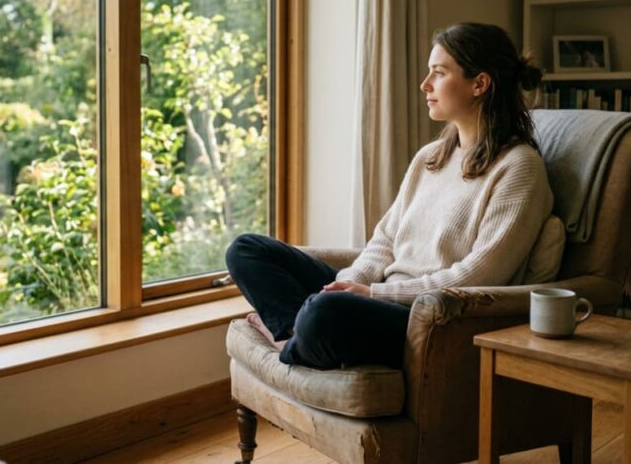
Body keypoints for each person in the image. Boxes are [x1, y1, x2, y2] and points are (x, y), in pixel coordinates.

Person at [226, 22, 553, 370]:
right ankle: (296, 333)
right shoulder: (431, 156)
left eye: (438, 73)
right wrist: (351, 282)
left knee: (324, 313)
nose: (425, 85)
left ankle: (289, 335)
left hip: (422, 319)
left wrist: (374, 295)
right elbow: (385, 240)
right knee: (246, 250)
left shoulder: (519, 169)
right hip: (375, 296)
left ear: (480, 84)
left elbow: (478, 278)